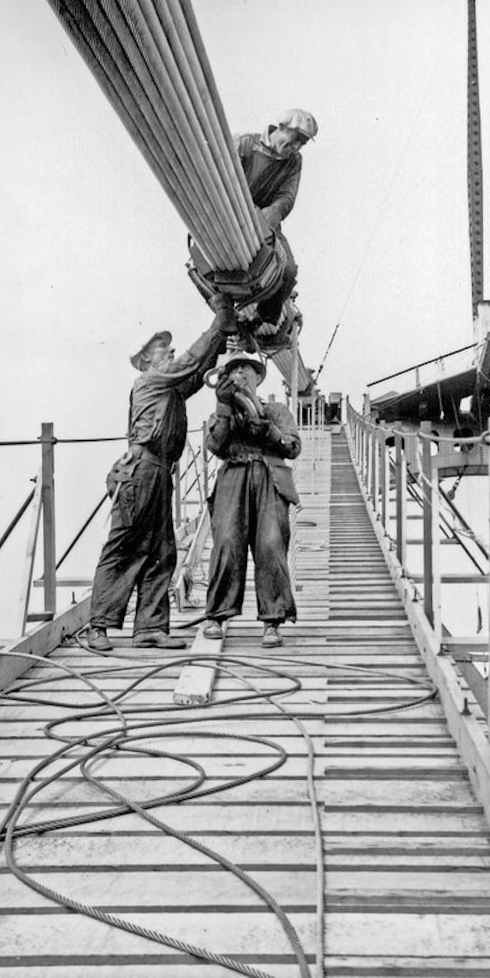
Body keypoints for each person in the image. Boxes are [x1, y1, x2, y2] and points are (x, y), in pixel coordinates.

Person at [84, 302, 237, 652]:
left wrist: (220, 342)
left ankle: (150, 628)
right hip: (141, 472)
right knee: (123, 549)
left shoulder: (168, 388)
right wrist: (218, 324)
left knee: (162, 551)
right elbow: (187, 363)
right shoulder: (150, 381)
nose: (169, 350)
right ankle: (99, 627)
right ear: (147, 361)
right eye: (161, 349)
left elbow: (195, 374)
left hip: (159, 473)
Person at [202, 352, 301, 647]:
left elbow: (293, 446)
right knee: (227, 542)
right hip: (234, 476)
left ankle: (272, 621)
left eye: (247, 369)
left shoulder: (278, 410)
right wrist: (224, 409)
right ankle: (217, 615)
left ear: (258, 377)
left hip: (270, 478)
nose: (241, 375)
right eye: (234, 370)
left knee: (271, 544)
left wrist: (270, 432)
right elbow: (215, 446)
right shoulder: (223, 411)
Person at [234, 108, 318, 323]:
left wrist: (272, 214)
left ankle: (260, 320)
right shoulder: (244, 144)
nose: (297, 147)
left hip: (266, 220)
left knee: (287, 270)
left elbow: (286, 196)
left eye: (302, 143)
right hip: (232, 214)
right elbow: (222, 180)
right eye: (295, 138)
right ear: (280, 127)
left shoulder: (294, 161)